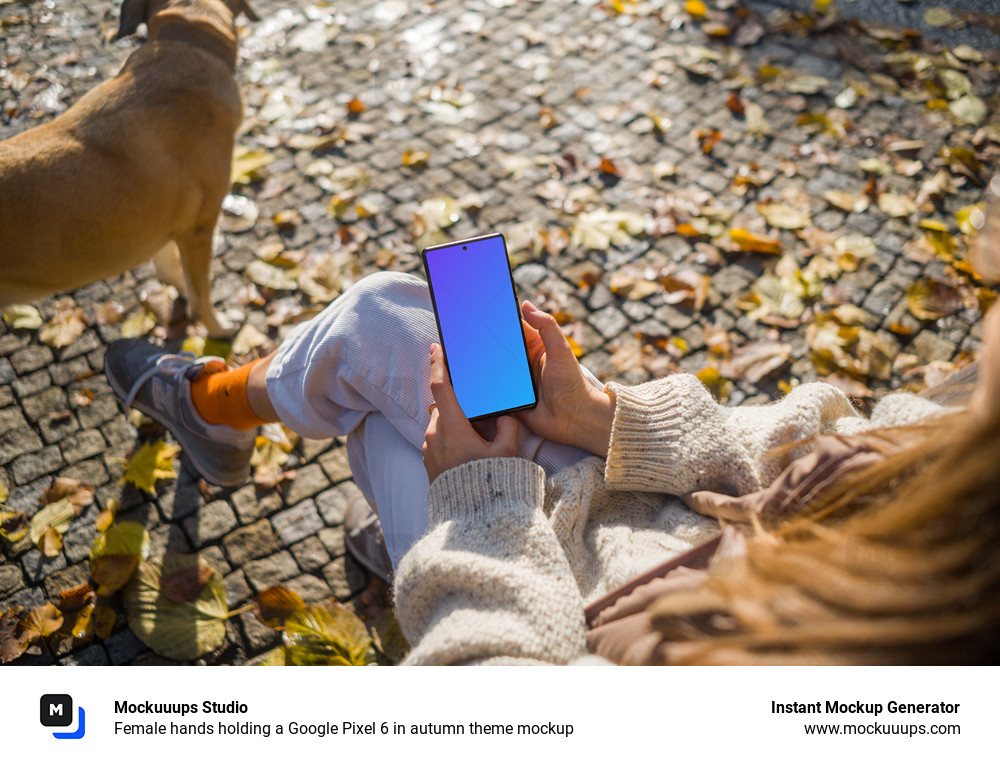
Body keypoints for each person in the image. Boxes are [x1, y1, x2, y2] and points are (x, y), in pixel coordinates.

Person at [105, 210, 1000, 665]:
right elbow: (805, 436)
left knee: (394, 420)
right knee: (392, 318)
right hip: (641, 502)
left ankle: (220, 415)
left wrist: (481, 507)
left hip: (557, 591)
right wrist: (604, 416)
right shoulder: (959, 445)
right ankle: (220, 407)